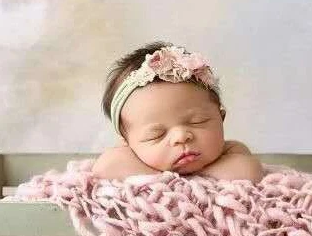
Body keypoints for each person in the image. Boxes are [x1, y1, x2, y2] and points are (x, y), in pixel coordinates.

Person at [93, 41, 264, 182]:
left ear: (221, 117)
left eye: (198, 121)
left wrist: (190, 178)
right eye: (156, 134)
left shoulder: (231, 151)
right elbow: (105, 167)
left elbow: (249, 171)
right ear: (127, 142)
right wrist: (166, 177)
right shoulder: (127, 154)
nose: (181, 137)